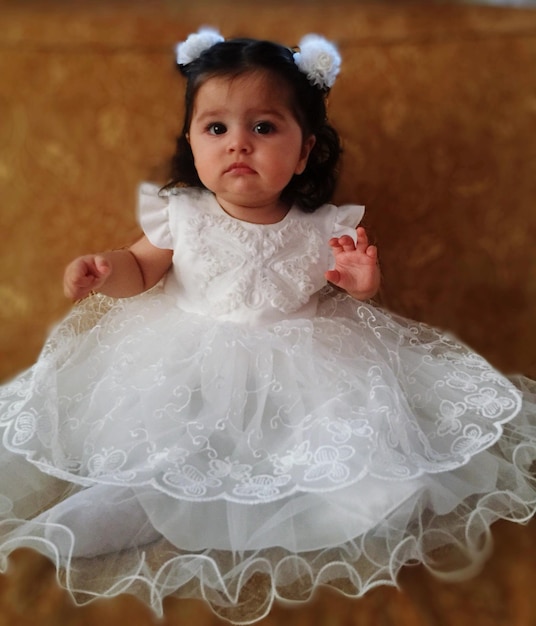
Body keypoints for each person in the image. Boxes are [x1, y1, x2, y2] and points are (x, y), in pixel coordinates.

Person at [0, 27, 535, 625]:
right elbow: (141, 269)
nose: (238, 146)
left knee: (338, 449)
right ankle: (137, 499)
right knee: (172, 441)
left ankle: (337, 497)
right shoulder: (183, 213)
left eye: (263, 127)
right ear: (192, 142)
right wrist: (105, 270)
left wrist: (361, 281)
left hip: (302, 367)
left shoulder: (320, 225)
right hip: (186, 363)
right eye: (217, 128)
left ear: (304, 150)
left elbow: (349, 285)